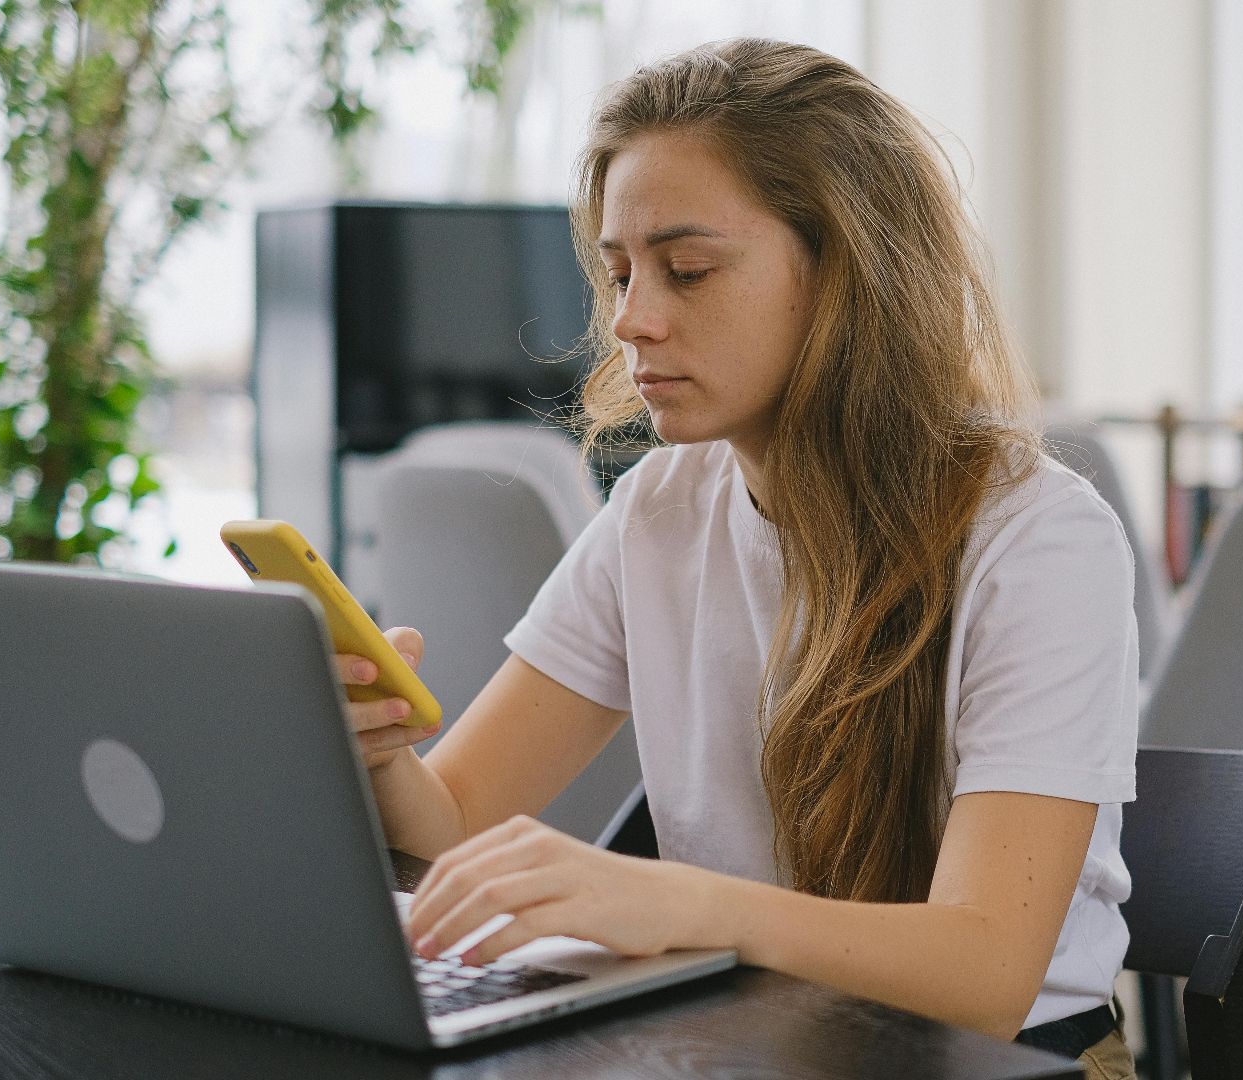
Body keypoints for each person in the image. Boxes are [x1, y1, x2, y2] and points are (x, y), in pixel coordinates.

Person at [339, 39, 1139, 1074]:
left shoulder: (1038, 540)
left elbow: (986, 976)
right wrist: (382, 748)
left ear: (846, 271)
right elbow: (450, 824)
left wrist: (675, 904)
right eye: (621, 273)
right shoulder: (661, 511)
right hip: (756, 1044)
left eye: (689, 270)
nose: (631, 320)